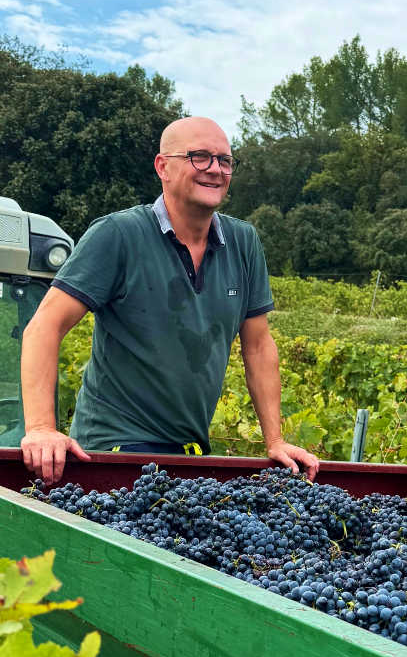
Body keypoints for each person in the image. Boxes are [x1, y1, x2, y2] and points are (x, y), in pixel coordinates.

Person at [20, 115, 320, 485]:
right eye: (199, 157)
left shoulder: (243, 243)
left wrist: (274, 440)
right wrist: (40, 428)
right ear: (163, 167)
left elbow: (258, 346)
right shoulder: (118, 234)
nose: (215, 170)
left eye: (225, 160)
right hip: (113, 451)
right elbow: (45, 326)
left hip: (191, 453)